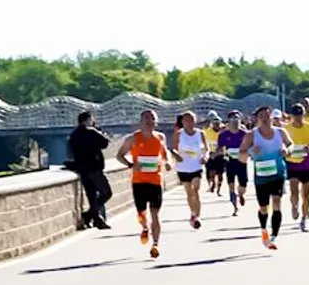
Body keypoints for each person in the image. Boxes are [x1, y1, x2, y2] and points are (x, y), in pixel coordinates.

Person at [116, 109, 171, 259]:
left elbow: (165, 153)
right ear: (140, 122)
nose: (149, 122)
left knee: (155, 214)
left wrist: (168, 163)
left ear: (156, 122)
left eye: (151, 119)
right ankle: (145, 227)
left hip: (155, 181)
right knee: (141, 214)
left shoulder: (160, 137)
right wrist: (130, 165)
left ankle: (155, 244)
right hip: (139, 181)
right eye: (145, 119)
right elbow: (119, 155)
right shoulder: (133, 139)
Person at [244, 106, 290, 250]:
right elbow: (241, 152)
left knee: (277, 202)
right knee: (264, 208)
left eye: (267, 116)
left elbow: (291, 144)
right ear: (257, 119)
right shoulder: (251, 135)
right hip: (261, 176)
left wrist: (287, 150)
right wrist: (252, 151)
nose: (264, 118)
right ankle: (264, 230)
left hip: (278, 173)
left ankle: (274, 235)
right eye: (261, 116)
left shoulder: (280, 132)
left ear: (271, 117)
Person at [67, 110, 113, 229]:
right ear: (87, 120)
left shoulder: (74, 135)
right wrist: (99, 131)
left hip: (82, 169)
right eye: (92, 120)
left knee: (92, 196)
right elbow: (105, 143)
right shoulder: (92, 132)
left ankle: (96, 219)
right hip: (94, 168)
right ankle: (89, 215)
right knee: (106, 193)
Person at [282, 109, 309, 232]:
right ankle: (294, 206)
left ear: (303, 115)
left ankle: (304, 219)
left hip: (306, 163)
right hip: (292, 162)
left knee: (306, 194)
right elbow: (282, 144)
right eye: (295, 115)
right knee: (294, 192)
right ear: (291, 116)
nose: (298, 118)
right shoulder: (287, 129)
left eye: (300, 115)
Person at [171, 112, 208, 231]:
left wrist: (205, 157)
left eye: (191, 120)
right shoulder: (178, 134)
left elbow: (206, 149)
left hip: (196, 165)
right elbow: (172, 148)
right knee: (189, 192)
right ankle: (192, 213)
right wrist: (176, 155)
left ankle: (198, 217)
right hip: (183, 166)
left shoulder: (200, 133)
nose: (188, 122)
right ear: (182, 122)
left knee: (196, 190)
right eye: (186, 120)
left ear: (194, 121)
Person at [215, 112, 248, 215]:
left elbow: (251, 146)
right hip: (230, 161)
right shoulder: (224, 135)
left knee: (243, 184)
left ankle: (241, 195)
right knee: (231, 185)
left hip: (242, 161)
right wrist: (213, 155)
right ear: (229, 121)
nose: (235, 122)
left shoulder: (245, 134)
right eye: (232, 119)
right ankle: (235, 207)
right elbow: (219, 148)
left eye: (237, 119)